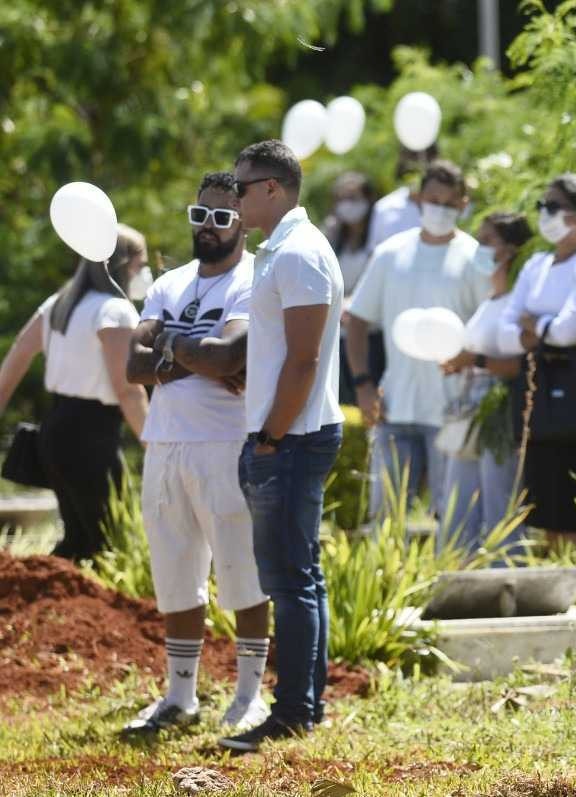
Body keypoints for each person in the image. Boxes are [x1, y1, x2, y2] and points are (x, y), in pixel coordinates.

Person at [122, 172, 269, 735]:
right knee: (175, 571)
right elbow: (133, 367)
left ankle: (250, 695)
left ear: (241, 223)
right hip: (166, 442)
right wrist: (196, 357)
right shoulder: (169, 281)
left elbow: (232, 355)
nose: (208, 226)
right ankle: (179, 696)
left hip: (226, 443)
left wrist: (171, 352)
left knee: (242, 571)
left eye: (222, 217)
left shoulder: (251, 280)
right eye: (199, 215)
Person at [219, 140, 344, 752]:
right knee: (301, 578)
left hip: (290, 438)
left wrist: (269, 435)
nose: (233, 197)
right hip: (288, 434)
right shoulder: (284, 251)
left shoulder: (297, 253)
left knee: (290, 582)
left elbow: (304, 360)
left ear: (272, 188)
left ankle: (294, 709)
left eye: (241, 188)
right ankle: (305, 705)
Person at [346, 160, 489, 522]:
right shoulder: (390, 254)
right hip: (394, 406)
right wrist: (363, 385)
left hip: (453, 409)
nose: (439, 209)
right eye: (432, 200)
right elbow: (359, 320)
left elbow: (489, 329)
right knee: (385, 518)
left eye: (448, 202)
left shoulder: (475, 258)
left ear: (463, 204)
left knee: (452, 519)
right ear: (417, 199)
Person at [0, 225, 150, 561]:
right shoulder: (115, 310)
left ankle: (48, 605)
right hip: (91, 435)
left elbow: (16, 359)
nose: (144, 274)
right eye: (140, 266)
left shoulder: (58, 304)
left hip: (53, 430)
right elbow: (127, 389)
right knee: (108, 542)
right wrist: (155, 443)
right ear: (122, 265)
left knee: (80, 540)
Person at [496, 174, 576, 551]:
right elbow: (505, 331)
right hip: (536, 385)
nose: (544, 215)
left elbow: (570, 333)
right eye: (541, 206)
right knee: (542, 502)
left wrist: (534, 325)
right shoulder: (536, 263)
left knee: (575, 502)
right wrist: (544, 330)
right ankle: (551, 585)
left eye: (553, 207)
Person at [440, 212, 534, 555]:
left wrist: (474, 360)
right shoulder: (490, 301)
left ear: (510, 250)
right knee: (458, 497)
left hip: (500, 411)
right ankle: (456, 572)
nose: (478, 248)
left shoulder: (517, 304)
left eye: (487, 241)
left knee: (500, 499)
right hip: (471, 406)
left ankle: (507, 573)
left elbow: (521, 366)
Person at [324, 172, 385, 404]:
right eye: (342, 198)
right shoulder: (331, 234)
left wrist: (353, 305)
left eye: (354, 197)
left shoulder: (378, 236)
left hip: (370, 334)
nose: (347, 204)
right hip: (337, 332)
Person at [366, 144, 436, 253]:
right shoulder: (385, 207)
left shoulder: (448, 206)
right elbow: (373, 253)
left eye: (425, 155)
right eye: (412, 156)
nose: (417, 162)